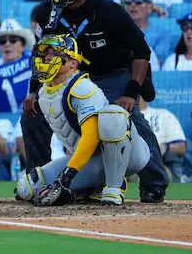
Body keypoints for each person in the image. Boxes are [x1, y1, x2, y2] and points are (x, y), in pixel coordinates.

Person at [24, 0, 170, 202]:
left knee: (127, 117)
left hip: (112, 74)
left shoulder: (110, 12)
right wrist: (32, 91)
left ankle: (154, 182)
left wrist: (131, 91)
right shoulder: (44, 12)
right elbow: (41, 53)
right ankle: (37, 181)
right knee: (32, 115)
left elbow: (142, 52)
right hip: (67, 77)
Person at [14, 34, 152, 207]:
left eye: (55, 54)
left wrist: (67, 176)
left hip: (132, 155)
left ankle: (114, 186)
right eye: (45, 55)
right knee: (26, 188)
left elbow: (91, 137)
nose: (47, 58)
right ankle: (93, 187)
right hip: (91, 160)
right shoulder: (43, 93)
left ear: (73, 63)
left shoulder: (82, 87)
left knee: (113, 114)